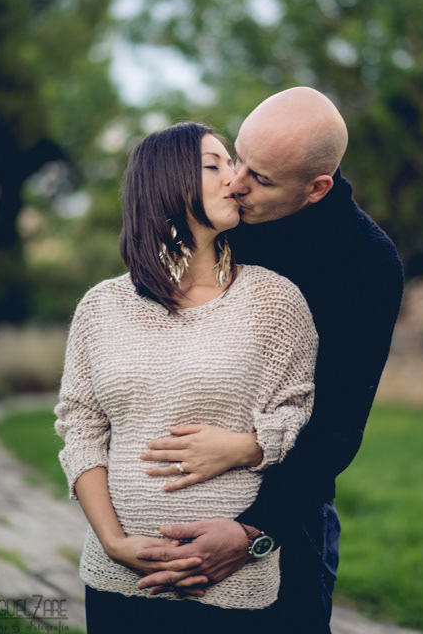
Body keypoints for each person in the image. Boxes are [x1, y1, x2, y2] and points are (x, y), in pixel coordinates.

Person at [134, 88, 404, 632]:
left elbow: (335, 427)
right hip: (167, 505)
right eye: (238, 159)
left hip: (285, 516)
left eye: (260, 178)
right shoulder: (223, 223)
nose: (236, 185)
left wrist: (254, 531)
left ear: (317, 188)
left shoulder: (365, 265)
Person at [54, 121, 318, 634]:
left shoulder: (275, 301)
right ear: (164, 182)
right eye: (214, 165)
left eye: (235, 163)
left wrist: (250, 446)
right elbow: (81, 429)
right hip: (119, 580)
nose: (235, 179)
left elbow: (299, 416)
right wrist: (114, 542)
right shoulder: (101, 307)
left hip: (233, 582)